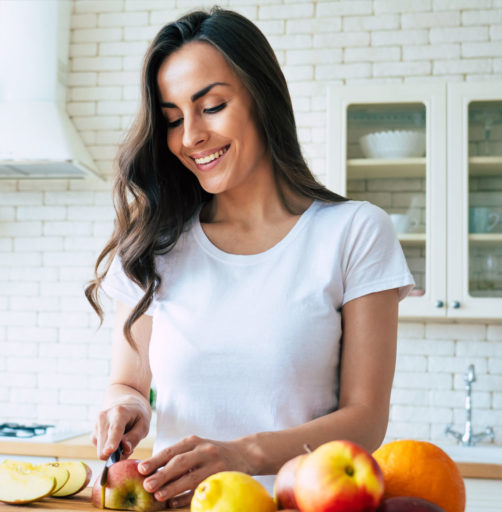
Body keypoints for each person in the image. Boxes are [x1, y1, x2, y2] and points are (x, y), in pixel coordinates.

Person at [83, 7, 415, 506]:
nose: (190, 136)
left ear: (262, 97)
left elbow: (366, 419)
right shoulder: (156, 243)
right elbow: (127, 382)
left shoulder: (354, 232)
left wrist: (242, 454)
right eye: (172, 119)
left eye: (211, 106)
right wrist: (124, 407)